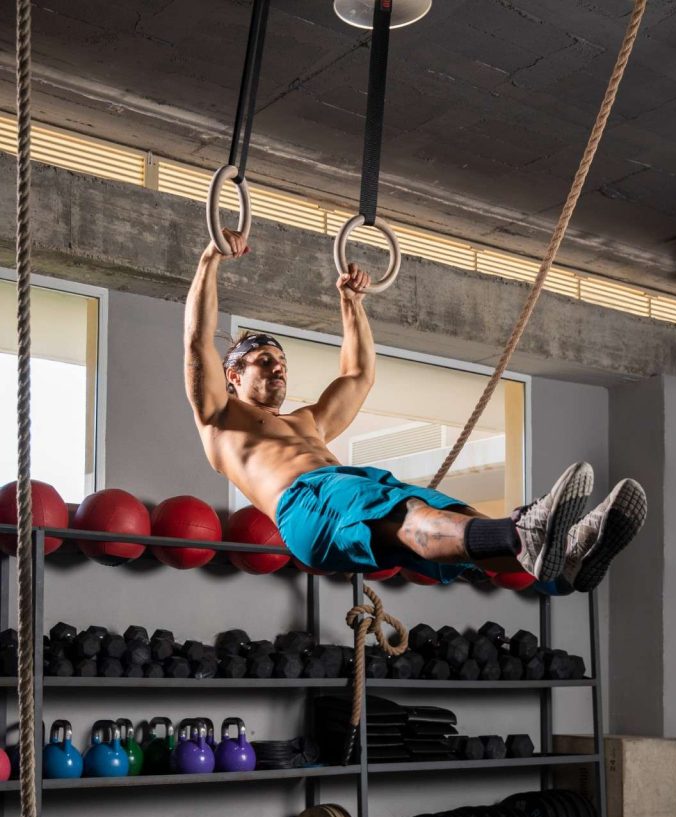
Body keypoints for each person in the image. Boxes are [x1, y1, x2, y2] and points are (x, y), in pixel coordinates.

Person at [183, 229, 646, 591]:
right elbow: (198, 339)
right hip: (308, 504)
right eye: (265, 360)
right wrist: (211, 259)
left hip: (351, 488)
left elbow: (358, 375)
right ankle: (532, 532)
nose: (278, 368)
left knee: (459, 521)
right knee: (411, 514)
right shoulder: (221, 419)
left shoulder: (307, 422)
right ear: (232, 376)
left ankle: (568, 555)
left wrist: (352, 303)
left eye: (282, 362)